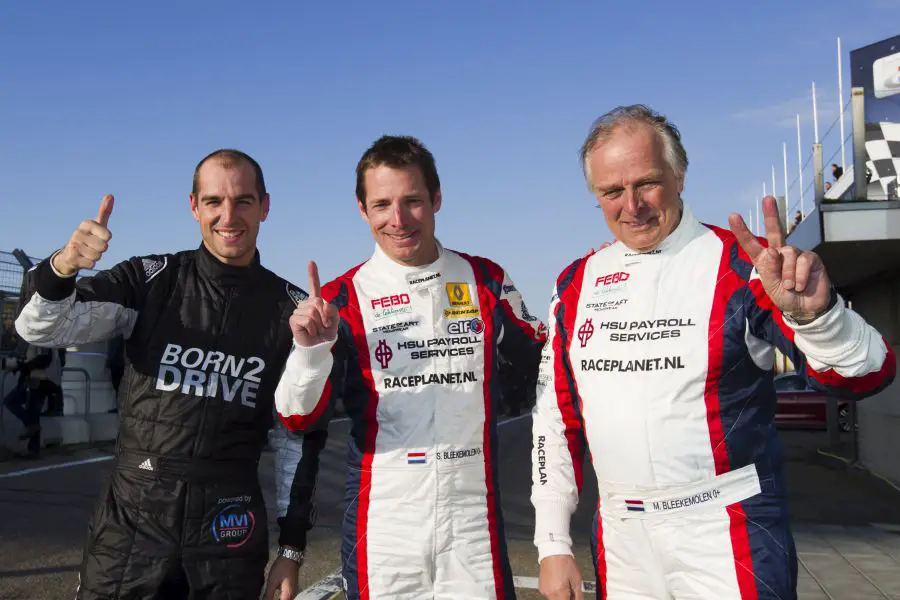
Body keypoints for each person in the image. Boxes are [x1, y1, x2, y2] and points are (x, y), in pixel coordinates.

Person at [531, 105, 896, 600]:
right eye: (612, 191)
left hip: (726, 530)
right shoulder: (575, 283)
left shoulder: (742, 266)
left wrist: (820, 314)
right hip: (621, 537)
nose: (632, 205)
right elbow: (556, 419)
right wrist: (552, 541)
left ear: (679, 176)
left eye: (647, 183)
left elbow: (864, 376)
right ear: (595, 196)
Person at [15, 149, 324, 600]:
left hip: (229, 528)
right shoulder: (149, 279)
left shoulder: (290, 310)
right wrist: (62, 268)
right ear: (194, 206)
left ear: (265, 206)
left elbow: (297, 438)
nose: (228, 215)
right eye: (214, 201)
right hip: (130, 524)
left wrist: (292, 549)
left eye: (243, 200)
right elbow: (40, 327)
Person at [274, 134, 547, 599]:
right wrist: (310, 351)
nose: (397, 220)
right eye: (382, 204)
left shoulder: (486, 279)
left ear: (437, 199)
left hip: (472, 516)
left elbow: (550, 356)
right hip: (384, 521)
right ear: (363, 210)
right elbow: (296, 417)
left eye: (413, 201)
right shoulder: (342, 298)